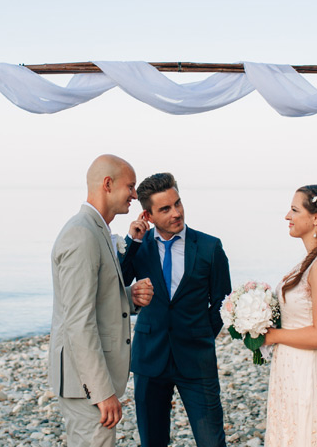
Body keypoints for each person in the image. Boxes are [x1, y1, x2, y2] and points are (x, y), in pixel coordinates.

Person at [48, 154, 155, 447]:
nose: (135, 194)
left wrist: (128, 296)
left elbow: (93, 300)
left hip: (86, 379)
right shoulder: (82, 235)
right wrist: (101, 391)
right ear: (108, 184)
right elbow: (78, 322)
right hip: (85, 383)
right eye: (130, 186)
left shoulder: (96, 229)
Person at [119, 172, 231, 447]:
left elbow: (222, 300)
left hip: (196, 358)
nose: (176, 213)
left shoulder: (209, 246)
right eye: (165, 209)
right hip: (149, 358)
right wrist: (132, 243)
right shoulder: (138, 246)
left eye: (178, 203)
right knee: (152, 441)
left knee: (212, 441)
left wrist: (202, 333)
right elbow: (115, 286)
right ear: (148, 214)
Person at [262, 184, 317, 446]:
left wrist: (271, 335)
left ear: (316, 218)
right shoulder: (312, 259)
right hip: (292, 369)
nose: (287, 216)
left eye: (294, 210)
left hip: (310, 373)